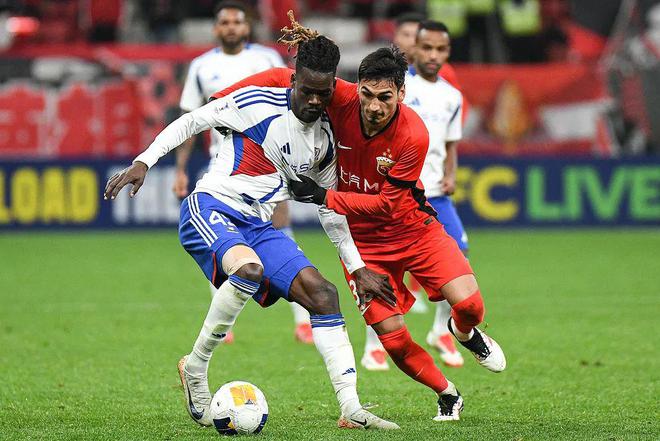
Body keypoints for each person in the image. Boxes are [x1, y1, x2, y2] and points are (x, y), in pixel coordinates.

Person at [104, 30, 399, 430]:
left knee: (324, 295)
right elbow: (192, 120)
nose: (315, 101)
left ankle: (351, 408)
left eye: (324, 93)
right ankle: (196, 367)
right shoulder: (255, 103)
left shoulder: (326, 140)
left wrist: (357, 267)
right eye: (308, 91)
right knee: (248, 270)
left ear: (334, 86)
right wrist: (145, 161)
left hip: (258, 225)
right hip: (211, 206)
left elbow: (330, 210)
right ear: (293, 80)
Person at [215, 38, 506, 422]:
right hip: (364, 244)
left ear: (401, 94)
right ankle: (447, 393)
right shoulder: (341, 97)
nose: (373, 106)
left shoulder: (413, 135)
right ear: (358, 88)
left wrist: (324, 195)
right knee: (394, 340)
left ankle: (463, 332)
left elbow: (388, 204)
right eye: (367, 94)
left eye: (385, 98)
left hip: (415, 230)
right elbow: (280, 77)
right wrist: (220, 101)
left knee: (470, 306)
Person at [173, 0, 313, 344]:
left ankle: (302, 321)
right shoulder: (201, 66)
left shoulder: (266, 59)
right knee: (220, 242)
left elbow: (291, 105)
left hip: (269, 163)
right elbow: (190, 120)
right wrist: (180, 169)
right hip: (222, 166)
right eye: (225, 22)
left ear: (247, 27)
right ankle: (223, 324)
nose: (231, 27)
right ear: (216, 28)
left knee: (280, 228)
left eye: (237, 22)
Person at [360, 14, 470, 372]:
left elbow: (450, 143)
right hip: (396, 195)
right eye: (426, 47)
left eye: (440, 49)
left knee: (459, 256)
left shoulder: (452, 96)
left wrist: (450, 173)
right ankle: (374, 345)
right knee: (383, 273)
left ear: (448, 52)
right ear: (415, 48)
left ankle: (441, 331)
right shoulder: (397, 89)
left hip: (435, 195)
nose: (433, 55)